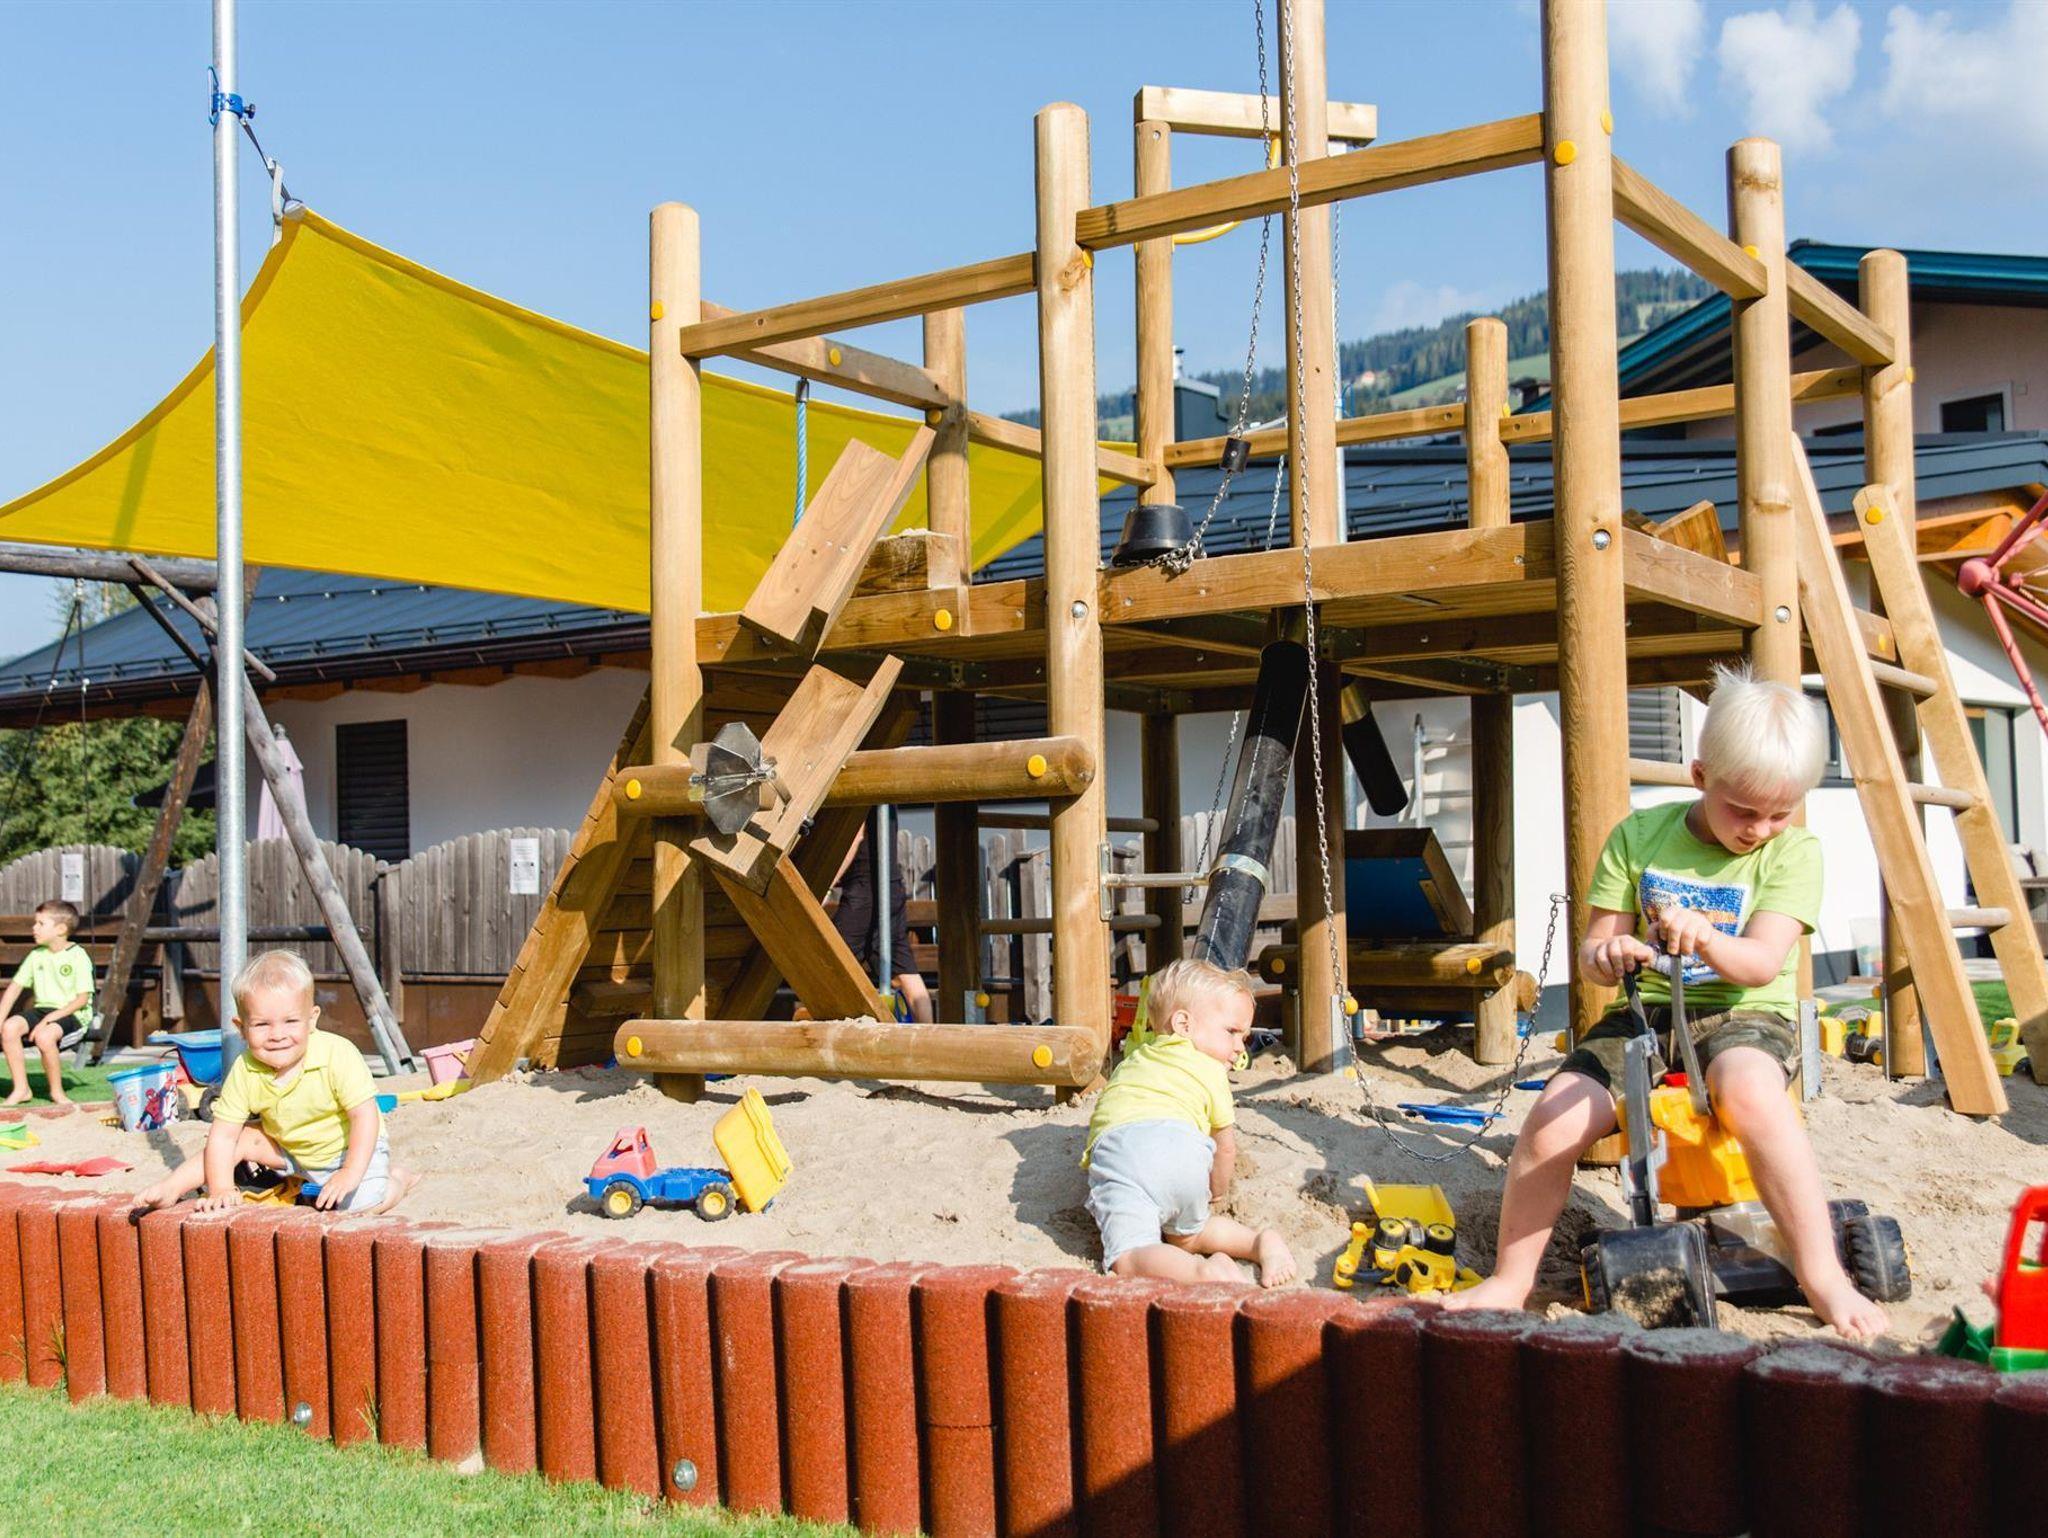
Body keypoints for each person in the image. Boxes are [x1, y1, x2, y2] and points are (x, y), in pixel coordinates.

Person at [1449, 665, 1887, 1340]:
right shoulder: (1639, 837)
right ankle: (1512, 1279)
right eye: (1744, 810)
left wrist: (1706, 935)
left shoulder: (1795, 853)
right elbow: (1595, 952)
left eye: (1780, 812)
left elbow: (1761, 963)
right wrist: (1612, 954)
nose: (1760, 828)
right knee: (1552, 1119)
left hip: (1746, 1015)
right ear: (1700, 775)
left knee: (1751, 1094)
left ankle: (1821, 1274)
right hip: (1645, 1012)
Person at [135, 950, 416, 1215]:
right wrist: (220, 1188)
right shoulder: (245, 1069)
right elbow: (223, 1136)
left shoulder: (336, 1054)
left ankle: (398, 1181)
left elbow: (364, 1117)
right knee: (241, 1138)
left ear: (311, 1020)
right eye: (262, 1024)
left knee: (362, 1206)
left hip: (349, 1150)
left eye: (290, 1021)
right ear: (241, 1028)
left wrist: (350, 1173)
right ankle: (172, 1187)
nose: (277, 1035)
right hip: (291, 1150)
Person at [1083, 957, 1296, 1286]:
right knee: (1188, 1236)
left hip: (1122, 1153)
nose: (1239, 1048)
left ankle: (1203, 1273)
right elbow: (1225, 1148)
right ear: (1183, 1024)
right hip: (1185, 1156)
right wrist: (1216, 1193)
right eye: (1232, 1032)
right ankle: (1258, 1242)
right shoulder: (1211, 1072)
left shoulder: (1131, 1062)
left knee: (1130, 1254)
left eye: (1243, 1038)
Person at [831, 821, 933, 1023]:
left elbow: (854, 837)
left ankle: (835, 1027)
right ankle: (929, 1033)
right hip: (889, 885)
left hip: (865, 887)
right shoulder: (886, 808)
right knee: (903, 968)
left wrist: (829, 882)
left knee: (832, 958)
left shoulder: (861, 800)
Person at [1, 899, 94, 1108]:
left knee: (45, 1037)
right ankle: (21, 1089)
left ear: (61, 929)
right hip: (42, 1010)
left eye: (41, 923)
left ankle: (57, 1092)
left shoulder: (78, 955)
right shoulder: (36, 955)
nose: (34, 928)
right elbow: (14, 989)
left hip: (73, 1014)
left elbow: (82, 999)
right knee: (9, 1028)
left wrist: (49, 1019)